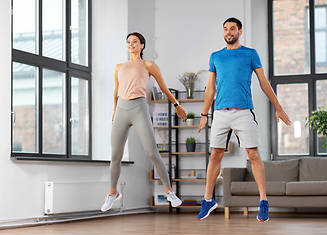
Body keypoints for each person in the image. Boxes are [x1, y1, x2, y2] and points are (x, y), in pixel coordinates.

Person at [196, 18, 291, 222]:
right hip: (220, 112)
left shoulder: (250, 53)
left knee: (253, 154)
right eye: (225, 29)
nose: (228, 32)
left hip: (243, 111)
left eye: (232, 29)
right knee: (215, 155)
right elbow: (210, 88)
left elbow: (264, 83)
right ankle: (208, 200)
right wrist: (204, 114)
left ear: (239, 31)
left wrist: (278, 107)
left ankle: (263, 201)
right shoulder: (215, 56)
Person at [101, 32, 187, 212]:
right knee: (115, 156)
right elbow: (116, 91)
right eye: (128, 42)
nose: (131, 44)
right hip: (122, 110)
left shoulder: (148, 65)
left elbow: (163, 87)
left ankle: (169, 191)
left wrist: (177, 105)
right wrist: (115, 110)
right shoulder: (119, 67)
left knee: (153, 154)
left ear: (142, 45)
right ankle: (112, 193)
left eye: (134, 42)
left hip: (139, 108)